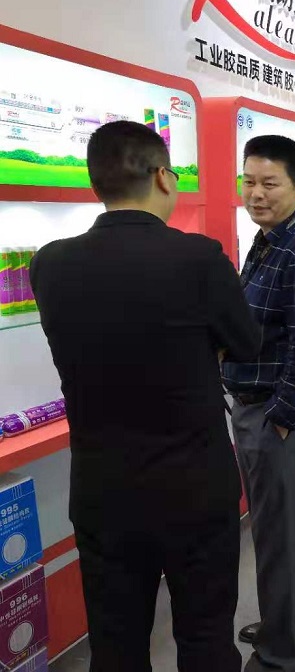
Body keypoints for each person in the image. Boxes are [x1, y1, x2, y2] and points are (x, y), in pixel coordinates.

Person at [29, 120, 261, 672]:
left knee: (115, 643)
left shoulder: (49, 263)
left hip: (102, 489)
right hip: (194, 486)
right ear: (162, 176)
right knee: (205, 637)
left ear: (96, 183)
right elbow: (247, 344)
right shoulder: (199, 258)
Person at [222, 135, 295, 672]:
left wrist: (284, 421)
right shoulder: (269, 239)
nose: (256, 193)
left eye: (270, 183)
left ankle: (277, 652)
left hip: (275, 409)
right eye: (248, 181)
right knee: (285, 523)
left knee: (273, 534)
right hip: (258, 402)